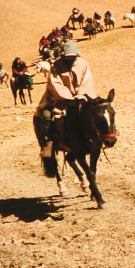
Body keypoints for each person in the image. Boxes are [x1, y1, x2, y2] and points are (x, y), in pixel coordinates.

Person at [33, 40, 97, 173]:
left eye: (72, 57)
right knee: (46, 116)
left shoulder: (83, 64)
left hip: (81, 98)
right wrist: (68, 98)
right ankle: (48, 147)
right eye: (67, 57)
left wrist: (80, 95)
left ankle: (101, 138)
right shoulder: (56, 66)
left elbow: (87, 80)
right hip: (58, 99)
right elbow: (54, 83)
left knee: (99, 112)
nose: (70, 60)